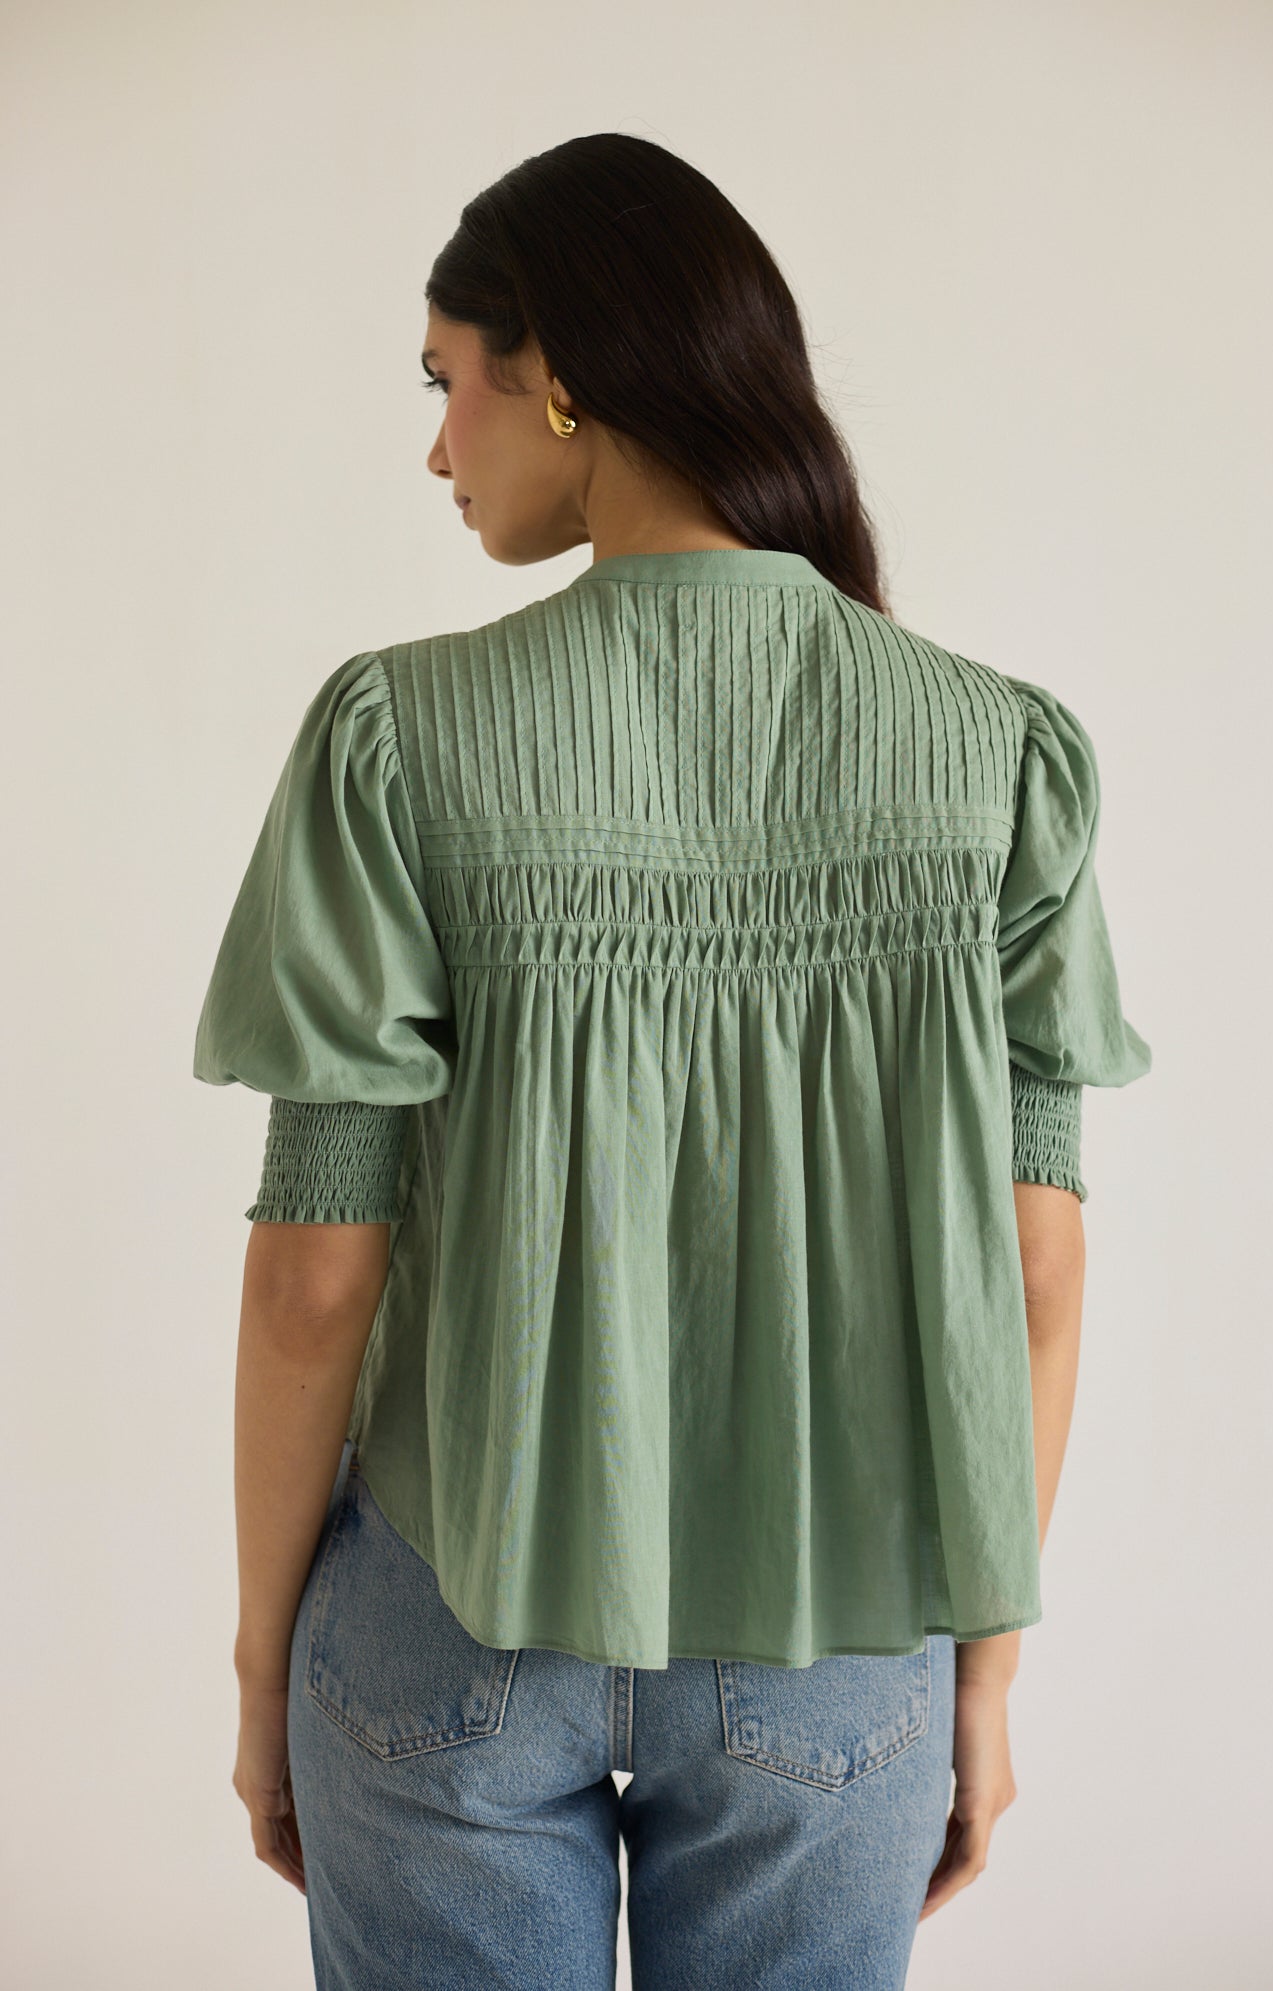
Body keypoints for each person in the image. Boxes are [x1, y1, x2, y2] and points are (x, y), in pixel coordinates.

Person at [192, 132, 1152, 1990]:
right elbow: (1035, 1269)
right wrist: (987, 1672)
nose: (437, 448)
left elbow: (313, 1278)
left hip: (446, 1619)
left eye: (445, 382)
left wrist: (261, 1665)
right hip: (843, 1646)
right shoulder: (1000, 756)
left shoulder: (397, 735)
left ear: (553, 369)